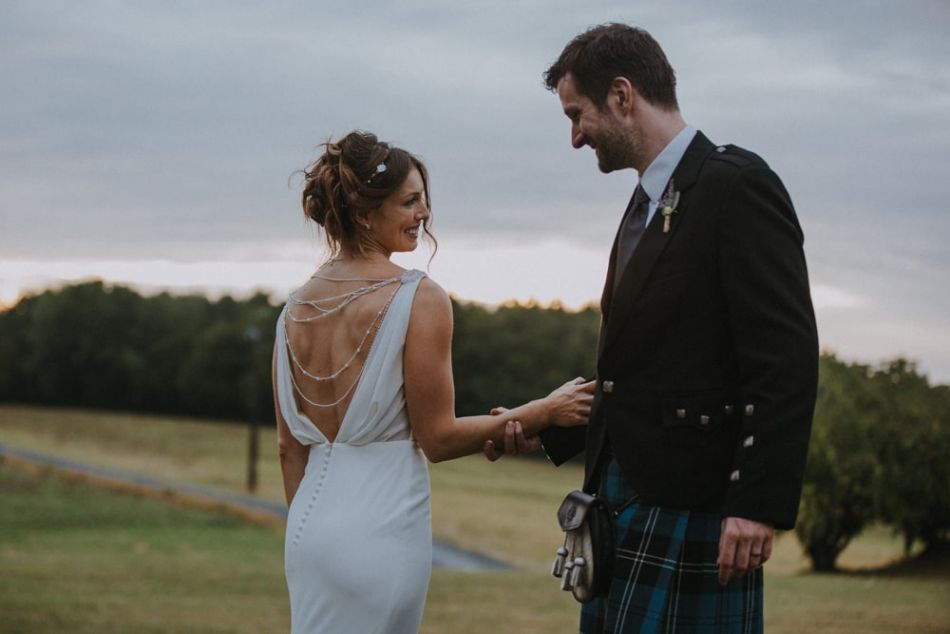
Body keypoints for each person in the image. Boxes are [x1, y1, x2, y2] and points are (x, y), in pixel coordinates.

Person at [495, 24, 819, 633]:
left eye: (576, 114)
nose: (573, 137)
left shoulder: (735, 185)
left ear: (622, 95)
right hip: (627, 498)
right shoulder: (647, 201)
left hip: (693, 501)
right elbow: (645, 368)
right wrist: (544, 426)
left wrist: (755, 505)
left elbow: (785, 357)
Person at [272, 130, 594, 634]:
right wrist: (543, 412)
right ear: (363, 214)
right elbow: (438, 439)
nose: (424, 213)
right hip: (381, 526)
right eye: (409, 201)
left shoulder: (293, 309)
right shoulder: (418, 298)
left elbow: (289, 448)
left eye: (424, 199)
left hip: (308, 530)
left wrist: (314, 533)